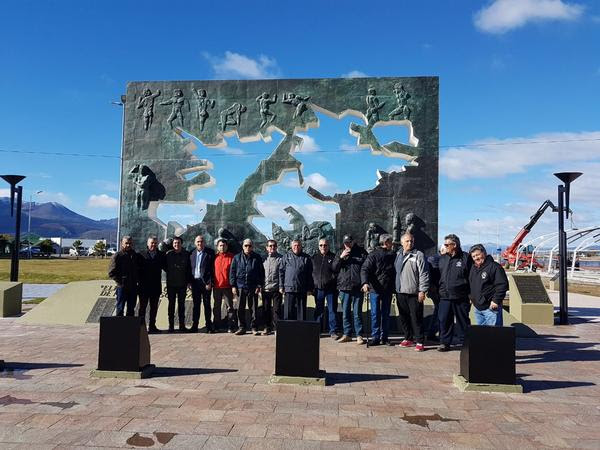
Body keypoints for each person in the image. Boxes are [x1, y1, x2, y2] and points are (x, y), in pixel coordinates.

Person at [395, 233, 430, 352]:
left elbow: (424, 273)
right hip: (400, 291)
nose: (410, 243)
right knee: (404, 317)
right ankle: (408, 338)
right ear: (402, 243)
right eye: (407, 241)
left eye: (411, 241)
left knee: (416, 318)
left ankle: (420, 341)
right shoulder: (398, 254)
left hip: (414, 293)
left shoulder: (418, 255)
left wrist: (422, 290)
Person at [437, 234, 472, 351]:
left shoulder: (466, 258)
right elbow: (438, 275)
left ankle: (465, 342)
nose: (445, 246)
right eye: (444, 244)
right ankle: (445, 342)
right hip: (444, 296)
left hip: (460, 297)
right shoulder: (442, 258)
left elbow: (471, 277)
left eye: (447, 244)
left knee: (463, 321)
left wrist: (470, 295)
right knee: (444, 320)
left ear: (455, 245)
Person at [361, 234, 396, 346]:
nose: (392, 244)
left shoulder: (393, 255)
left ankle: (384, 337)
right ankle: (376, 337)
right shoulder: (374, 255)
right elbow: (365, 269)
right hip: (375, 289)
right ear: (386, 242)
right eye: (390, 242)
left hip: (387, 289)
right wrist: (365, 283)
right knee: (376, 313)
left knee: (384, 313)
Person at [332, 235, 367, 344]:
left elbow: (366, 268)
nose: (347, 244)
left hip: (357, 287)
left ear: (353, 242)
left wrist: (365, 283)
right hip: (344, 287)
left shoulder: (361, 252)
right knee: (345, 312)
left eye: (349, 242)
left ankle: (359, 335)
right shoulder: (339, 253)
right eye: (345, 243)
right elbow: (334, 268)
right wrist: (340, 257)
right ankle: (347, 334)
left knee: (357, 313)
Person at [229, 238, 264, 335]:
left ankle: (254, 327)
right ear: (242, 246)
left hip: (253, 287)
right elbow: (232, 272)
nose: (248, 247)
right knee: (240, 308)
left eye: (250, 246)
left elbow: (261, 272)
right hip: (240, 286)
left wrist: (259, 285)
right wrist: (233, 286)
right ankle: (242, 327)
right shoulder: (236, 258)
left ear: (252, 247)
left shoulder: (257, 257)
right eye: (246, 245)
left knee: (254, 308)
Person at [468, 244, 509, 326]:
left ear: (484, 253)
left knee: (493, 333)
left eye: (478, 254)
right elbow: (471, 284)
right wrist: (471, 297)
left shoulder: (495, 267)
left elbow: (502, 285)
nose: (476, 258)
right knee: (482, 333)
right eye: (474, 256)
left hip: (491, 307)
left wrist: (496, 301)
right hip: (477, 307)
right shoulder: (473, 268)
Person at [279, 239, 314, 321]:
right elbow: (281, 272)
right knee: (288, 312)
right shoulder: (286, 257)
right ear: (291, 246)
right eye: (294, 245)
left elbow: (310, 274)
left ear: (301, 246)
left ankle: (300, 331)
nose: (296, 247)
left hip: (302, 289)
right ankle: (288, 330)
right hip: (289, 288)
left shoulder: (306, 258)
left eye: (298, 245)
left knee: (301, 313)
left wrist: (309, 288)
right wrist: (281, 286)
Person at [312, 238, 340, 338]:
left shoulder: (333, 257)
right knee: (318, 310)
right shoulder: (314, 257)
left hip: (331, 289)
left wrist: (331, 280)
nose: (323, 247)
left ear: (328, 246)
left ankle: (333, 331)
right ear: (318, 246)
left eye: (325, 245)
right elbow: (311, 273)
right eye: (321, 245)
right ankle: (317, 331)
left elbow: (337, 272)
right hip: (318, 289)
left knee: (332, 310)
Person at [137, 235, 165, 333]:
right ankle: (141, 327)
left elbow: (167, 268)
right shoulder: (141, 254)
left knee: (154, 308)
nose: (153, 244)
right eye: (151, 243)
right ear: (147, 243)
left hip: (155, 287)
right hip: (143, 287)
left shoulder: (161, 255)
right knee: (142, 308)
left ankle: (152, 326)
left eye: (155, 243)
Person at [164, 236, 191, 332]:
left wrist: (188, 282)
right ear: (172, 244)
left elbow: (188, 269)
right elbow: (165, 267)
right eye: (175, 243)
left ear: (181, 244)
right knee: (171, 306)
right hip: (171, 284)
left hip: (182, 284)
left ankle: (182, 325)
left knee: (181, 306)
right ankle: (171, 326)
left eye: (178, 243)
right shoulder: (168, 255)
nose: (176, 245)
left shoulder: (186, 254)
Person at [189, 235, 215, 333]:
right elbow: (189, 269)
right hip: (195, 282)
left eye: (201, 241)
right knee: (196, 305)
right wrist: (189, 282)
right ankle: (195, 325)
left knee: (207, 305)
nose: (200, 243)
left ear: (204, 242)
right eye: (198, 242)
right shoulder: (191, 253)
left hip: (206, 283)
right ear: (195, 243)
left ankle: (208, 325)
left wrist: (210, 282)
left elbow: (213, 269)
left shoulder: (210, 253)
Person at [108, 236, 139, 317]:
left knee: (131, 308)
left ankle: (130, 328)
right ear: (122, 243)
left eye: (130, 243)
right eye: (126, 243)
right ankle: (119, 328)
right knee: (120, 308)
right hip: (122, 287)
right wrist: (120, 282)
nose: (128, 245)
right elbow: (111, 272)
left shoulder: (135, 255)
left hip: (133, 286)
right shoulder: (118, 256)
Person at [213, 239, 236, 332]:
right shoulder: (214, 257)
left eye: (224, 245)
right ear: (217, 247)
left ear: (227, 246)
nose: (222, 247)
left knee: (230, 307)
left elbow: (234, 272)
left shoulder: (232, 257)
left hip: (227, 287)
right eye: (220, 245)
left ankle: (230, 326)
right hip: (216, 287)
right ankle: (217, 326)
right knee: (216, 307)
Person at [426, 244, 446, 341]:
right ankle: (436, 333)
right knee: (440, 311)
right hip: (436, 290)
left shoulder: (434, 259)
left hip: (439, 290)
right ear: (442, 251)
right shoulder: (434, 259)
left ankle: (433, 332)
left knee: (439, 311)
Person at [262, 239, 282, 335]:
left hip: (276, 289)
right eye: (270, 246)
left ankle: (277, 328)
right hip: (265, 289)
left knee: (276, 310)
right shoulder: (263, 259)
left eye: (274, 246)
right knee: (266, 309)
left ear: (276, 247)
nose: (272, 247)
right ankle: (267, 327)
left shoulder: (281, 259)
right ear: (267, 248)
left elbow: (282, 274)